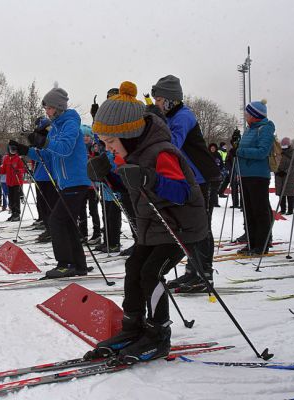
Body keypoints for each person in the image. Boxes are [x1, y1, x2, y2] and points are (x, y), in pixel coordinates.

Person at [86, 81, 207, 364]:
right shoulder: (133, 153)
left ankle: (158, 334)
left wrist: (149, 178)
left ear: (128, 135)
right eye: (104, 143)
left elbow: (181, 193)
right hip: (154, 227)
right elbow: (134, 191)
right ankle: (133, 326)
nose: (109, 149)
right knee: (134, 267)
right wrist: (110, 177)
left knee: (151, 273)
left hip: (182, 229)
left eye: (111, 143)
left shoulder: (161, 152)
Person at [9, 86, 91, 278]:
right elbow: (47, 154)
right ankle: (78, 265)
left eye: (49, 108)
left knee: (56, 220)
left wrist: (42, 141)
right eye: (46, 108)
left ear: (59, 107)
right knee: (68, 223)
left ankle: (65, 264)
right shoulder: (55, 128)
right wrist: (24, 150)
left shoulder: (70, 124)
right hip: (66, 183)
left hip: (76, 181)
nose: (46, 111)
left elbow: (65, 149)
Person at [151, 75, 221, 291]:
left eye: (159, 100)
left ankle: (204, 274)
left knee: (201, 227)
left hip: (204, 177)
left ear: (171, 100)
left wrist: (157, 123)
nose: (157, 104)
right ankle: (192, 271)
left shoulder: (183, 116)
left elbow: (172, 143)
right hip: (189, 179)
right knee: (189, 227)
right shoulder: (171, 116)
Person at [235, 100, 275, 255]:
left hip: (258, 175)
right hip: (245, 174)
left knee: (259, 210)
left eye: (247, 113)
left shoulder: (265, 128)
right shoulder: (249, 129)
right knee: (248, 210)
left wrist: (240, 152)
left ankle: (262, 243)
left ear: (255, 115)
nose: (245, 115)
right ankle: (252, 242)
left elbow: (262, 152)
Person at [79, 125, 102, 244]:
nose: (86, 138)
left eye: (88, 135)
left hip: (93, 185)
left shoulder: (94, 148)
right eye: (83, 136)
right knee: (81, 209)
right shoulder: (79, 149)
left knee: (93, 210)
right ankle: (82, 233)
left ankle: (97, 233)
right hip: (82, 184)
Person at [274, 137, 294, 215]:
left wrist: (286, 172)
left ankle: (291, 209)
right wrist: (277, 171)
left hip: (289, 176)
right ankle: (283, 209)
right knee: (281, 193)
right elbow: (275, 162)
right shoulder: (278, 151)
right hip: (279, 176)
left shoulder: (293, 152)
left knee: (289, 193)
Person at [2, 143, 24, 222]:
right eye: (11, 150)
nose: (13, 151)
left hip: (17, 181)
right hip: (9, 182)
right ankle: (13, 213)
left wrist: (18, 170)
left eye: (14, 150)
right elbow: (3, 169)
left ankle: (17, 214)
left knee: (16, 198)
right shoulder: (6, 158)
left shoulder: (18, 158)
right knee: (11, 199)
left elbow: (23, 169)